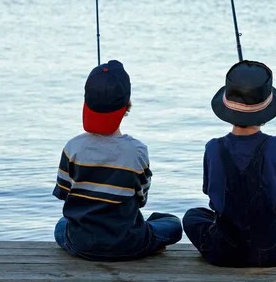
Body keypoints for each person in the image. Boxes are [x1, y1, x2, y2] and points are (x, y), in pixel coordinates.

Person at [52, 60, 182, 261]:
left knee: (61, 225)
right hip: (128, 243)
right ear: (127, 106)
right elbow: (141, 199)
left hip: (80, 243)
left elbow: (64, 193)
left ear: (86, 103)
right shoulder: (137, 151)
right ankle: (147, 239)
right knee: (173, 223)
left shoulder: (72, 148)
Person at [183, 60, 276, 267]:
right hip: (272, 252)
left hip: (223, 253)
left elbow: (210, 193)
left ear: (227, 109)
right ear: (267, 110)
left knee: (192, 216)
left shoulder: (213, 148)